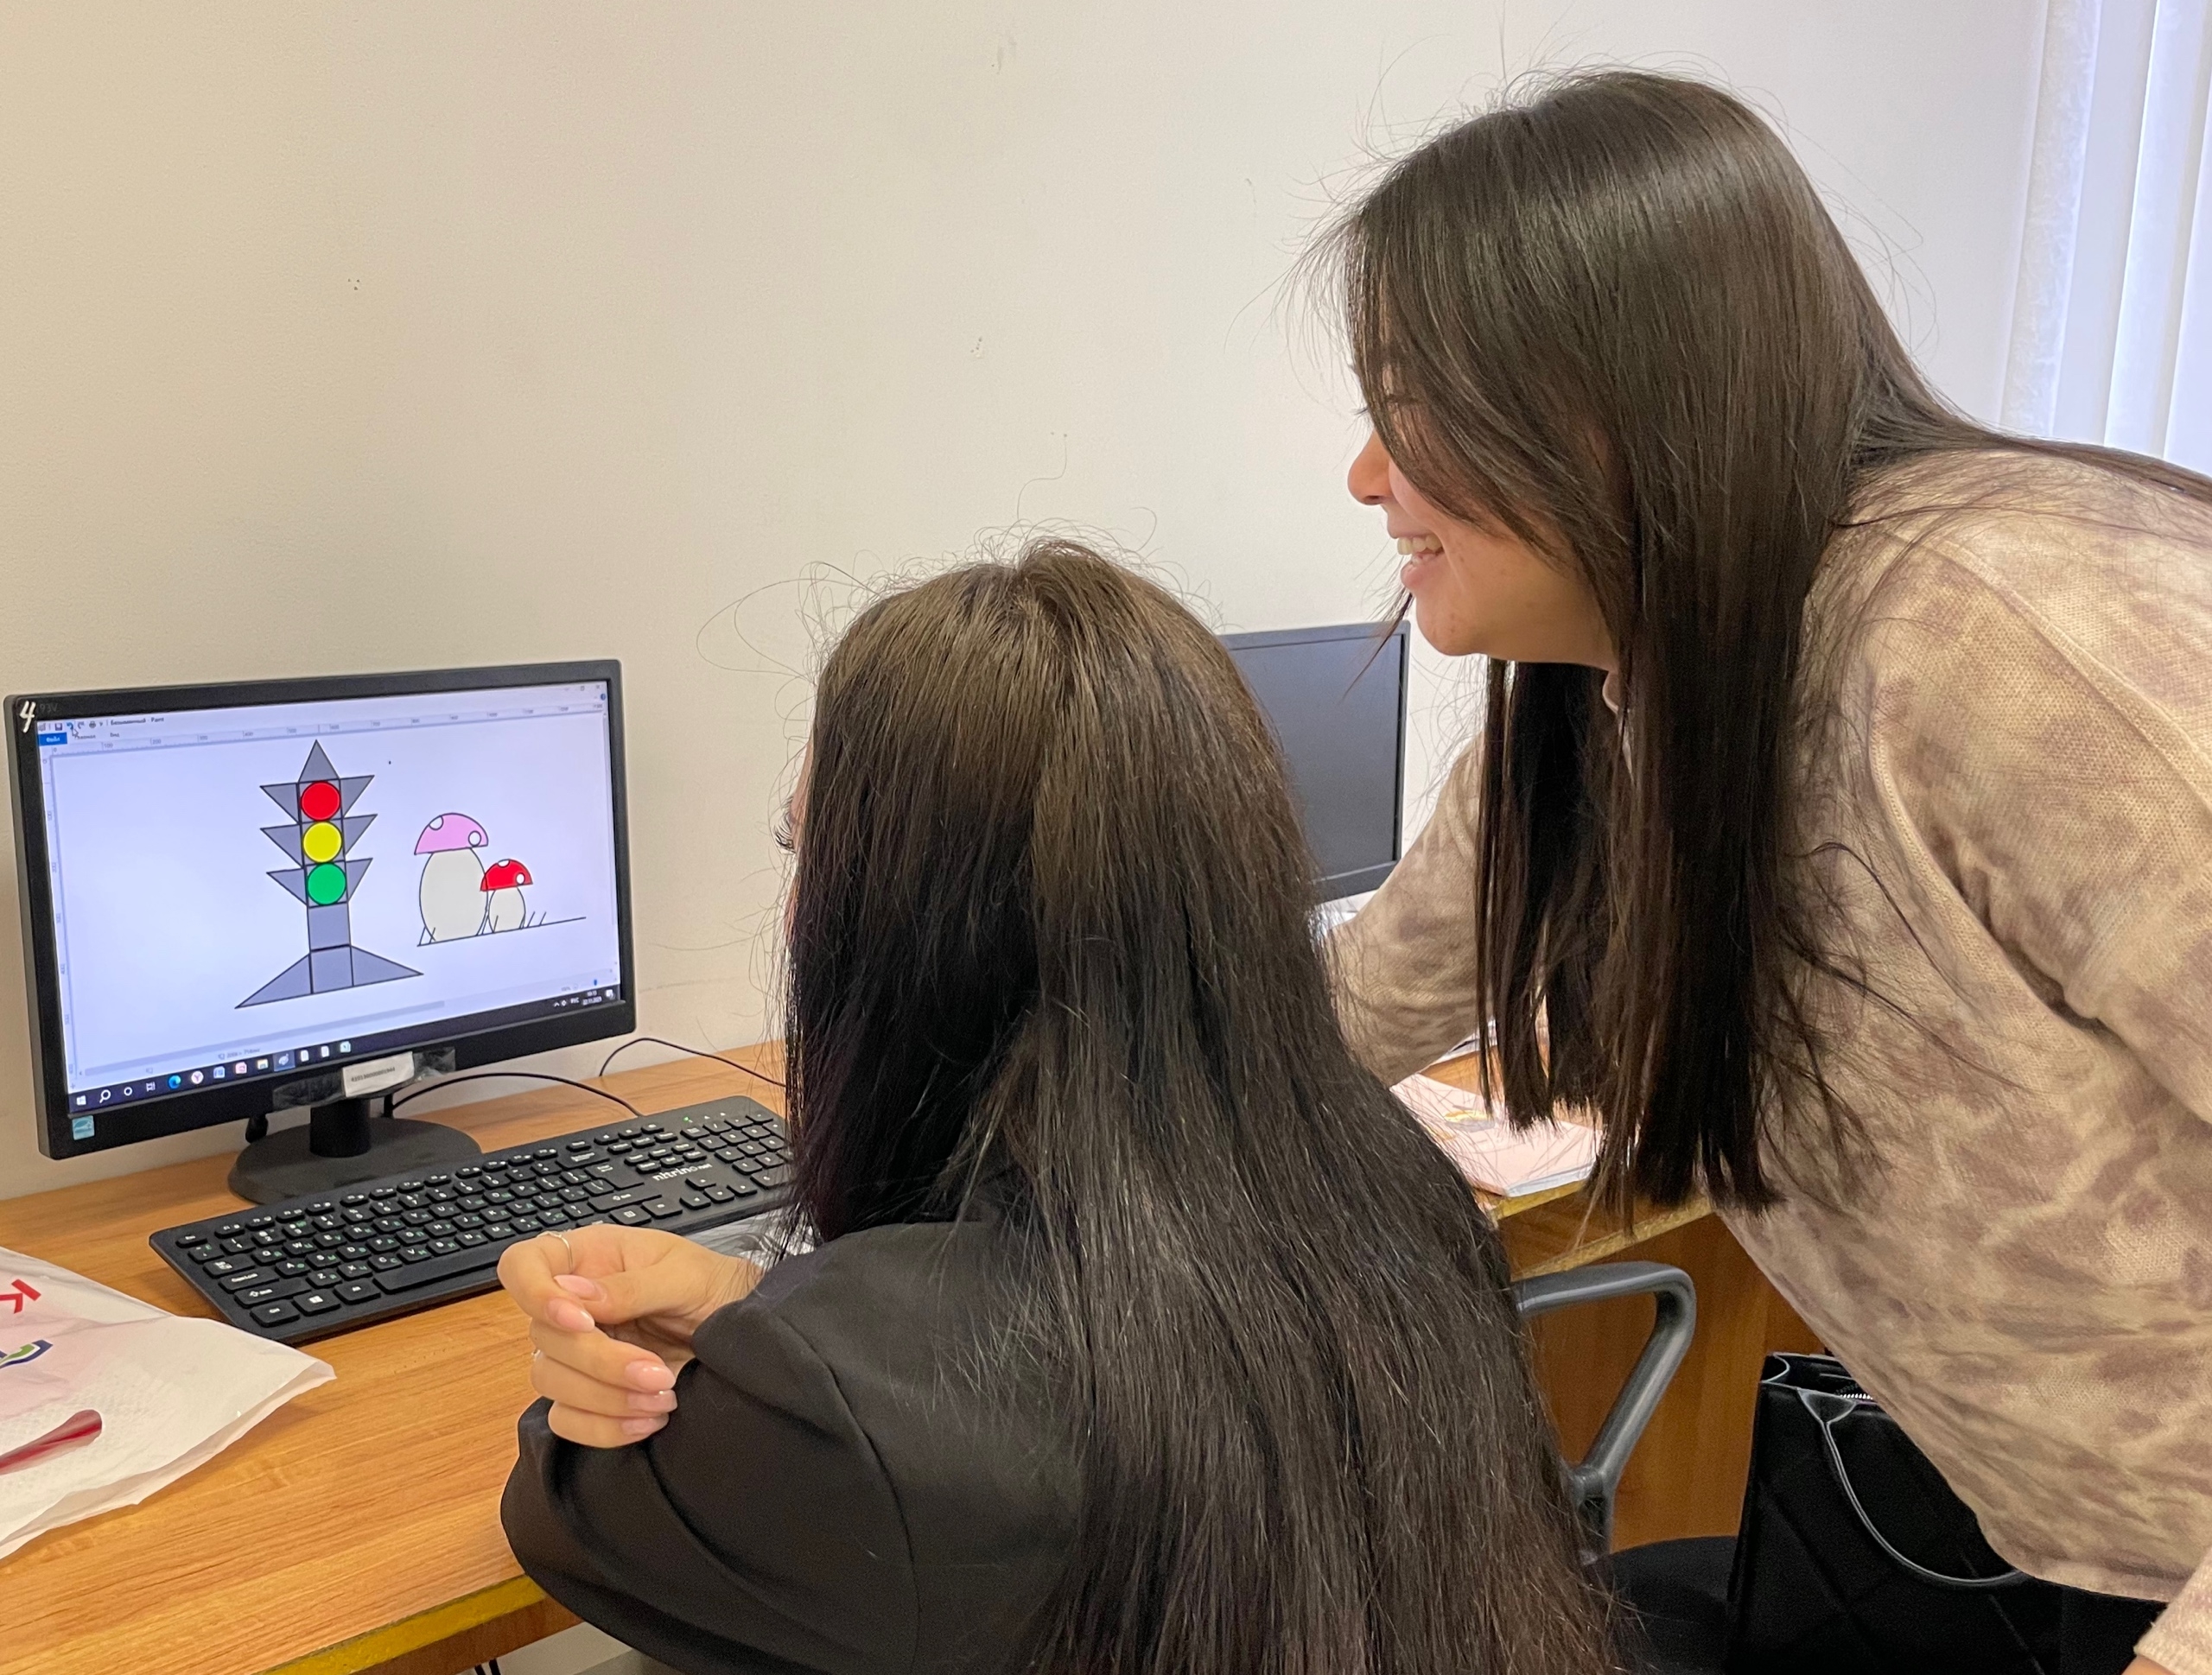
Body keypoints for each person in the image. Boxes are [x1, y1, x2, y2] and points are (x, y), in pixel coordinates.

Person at [1319, 69, 2212, 1675]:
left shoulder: (2001, 641)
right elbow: (1351, 1007)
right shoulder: (1608, 705)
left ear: (1601, 404)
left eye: (1410, 405)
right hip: (2040, 1526)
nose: (1368, 475)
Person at [497, 541, 1620, 1675]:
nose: (796, 914)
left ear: (905, 925)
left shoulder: (856, 1407)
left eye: (813, 854)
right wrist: (750, 1306)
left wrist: (631, 1368)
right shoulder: (1405, 1195)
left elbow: (562, 1508)